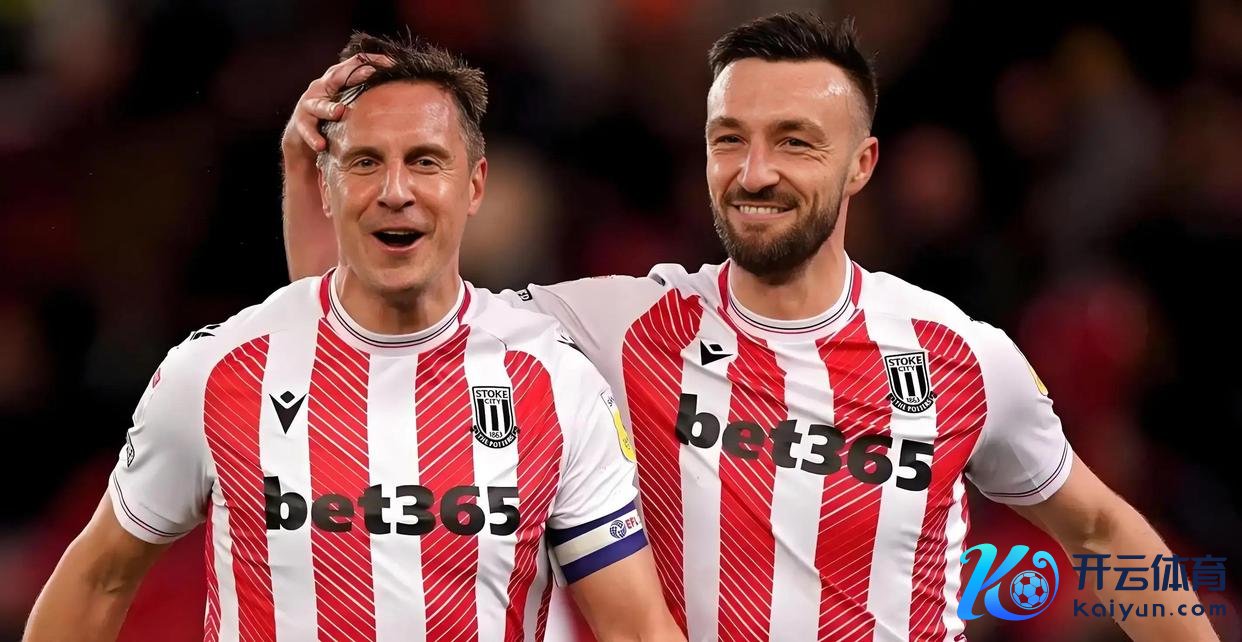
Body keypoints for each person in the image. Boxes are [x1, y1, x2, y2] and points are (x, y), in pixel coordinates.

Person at [282, 12, 1220, 642]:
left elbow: (1101, 529)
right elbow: (363, 341)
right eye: (730, 139)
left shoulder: (957, 355)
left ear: (862, 164)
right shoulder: (617, 325)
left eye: (795, 142)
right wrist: (308, 175)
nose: (754, 171)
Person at [25, 33, 682, 642]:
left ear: (474, 185)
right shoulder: (217, 371)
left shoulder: (555, 383)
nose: (395, 191)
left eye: (425, 161)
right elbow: (97, 580)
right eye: (366, 162)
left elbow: (636, 630)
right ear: (327, 187)